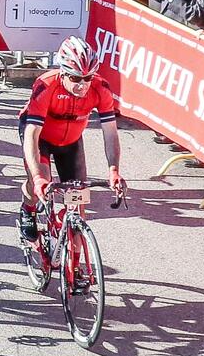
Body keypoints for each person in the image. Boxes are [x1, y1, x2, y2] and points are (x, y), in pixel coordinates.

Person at [16, 40, 125, 244]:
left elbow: (110, 133)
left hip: (71, 142)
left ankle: (74, 268)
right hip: (41, 138)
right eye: (75, 78)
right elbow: (32, 133)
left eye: (87, 78)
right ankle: (28, 208)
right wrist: (38, 177)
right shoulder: (46, 85)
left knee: (78, 204)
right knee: (41, 180)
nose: (82, 85)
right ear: (63, 72)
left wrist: (114, 171)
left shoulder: (100, 87)